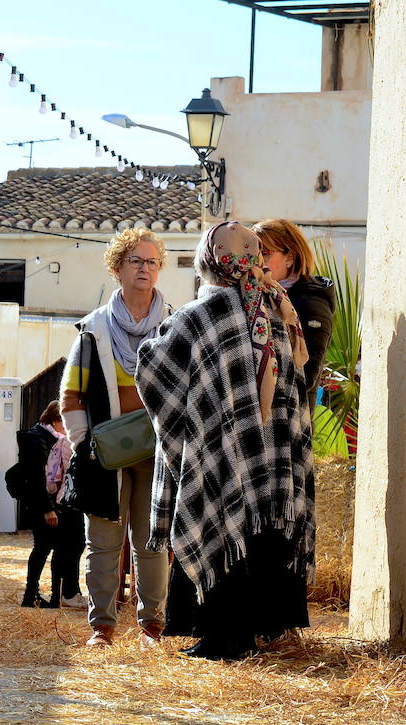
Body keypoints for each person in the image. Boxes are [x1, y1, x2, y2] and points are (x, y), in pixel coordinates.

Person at [134, 221, 316, 660]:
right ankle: (254, 632)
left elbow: (153, 369)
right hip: (271, 456)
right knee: (261, 529)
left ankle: (223, 637)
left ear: (208, 260)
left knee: (220, 514)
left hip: (218, 451)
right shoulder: (278, 308)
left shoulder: (200, 315)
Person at [60, 228, 172, 648]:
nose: (144, 268)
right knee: (103, 545)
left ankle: (152, 628)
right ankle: (102, 628)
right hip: (105, 455)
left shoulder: (174, 325)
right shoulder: (93, 329)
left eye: (152, 262)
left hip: (158, 453)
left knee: (152, 542)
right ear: (118, 268)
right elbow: (71, 395)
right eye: (135, 261)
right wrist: (84, 446)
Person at [252, 219, 336, 392]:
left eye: (265, 254)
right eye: (254, 254)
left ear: (289, 258)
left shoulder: (311, 303)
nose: (257, 262)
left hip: (289, 406)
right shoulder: (267, 294)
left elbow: (306, 375)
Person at [14, 401, 83, 609]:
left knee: (54, 549)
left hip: (47, 502)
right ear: (55, 420)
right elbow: (37, 478)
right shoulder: (39, 440)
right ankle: (32, 595)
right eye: (66, 421)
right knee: (44, 549)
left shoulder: (47, 437)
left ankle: (51, 596)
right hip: (44, 503)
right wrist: (47, 509)